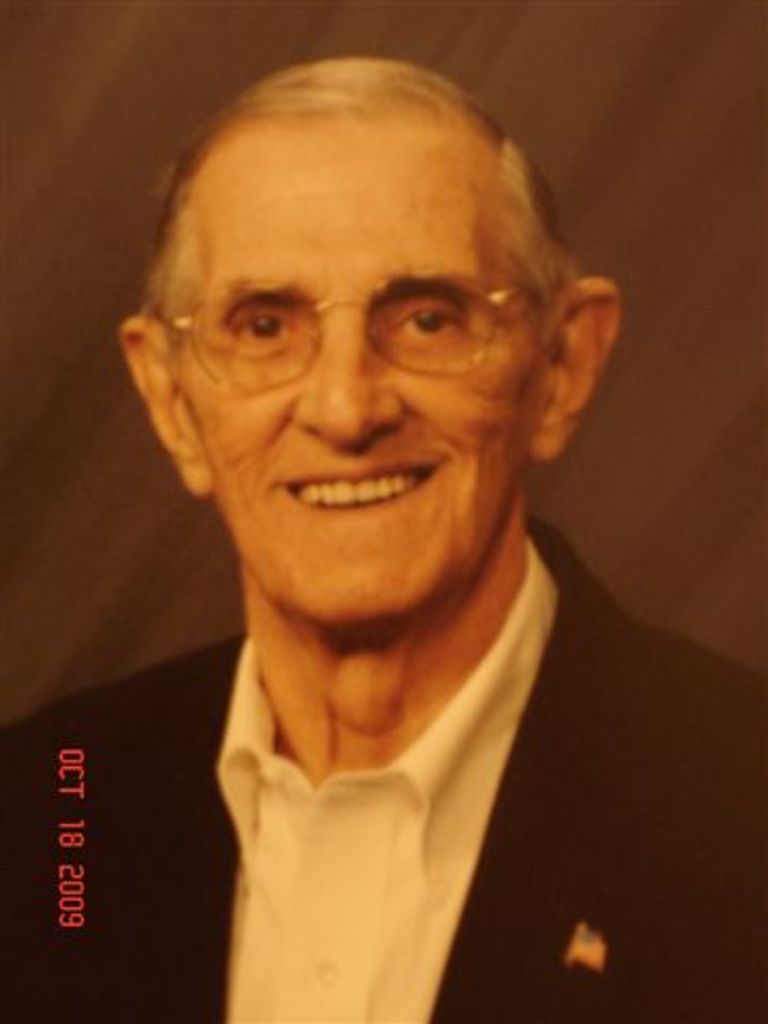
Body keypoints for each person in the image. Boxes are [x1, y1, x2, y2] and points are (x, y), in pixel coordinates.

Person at [1, 57, 764, 1024]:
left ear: (563, 366)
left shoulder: (741, 801)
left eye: (428, 319)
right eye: (265, 326)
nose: (346, 407)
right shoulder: (43, 806)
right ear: (171, 400)